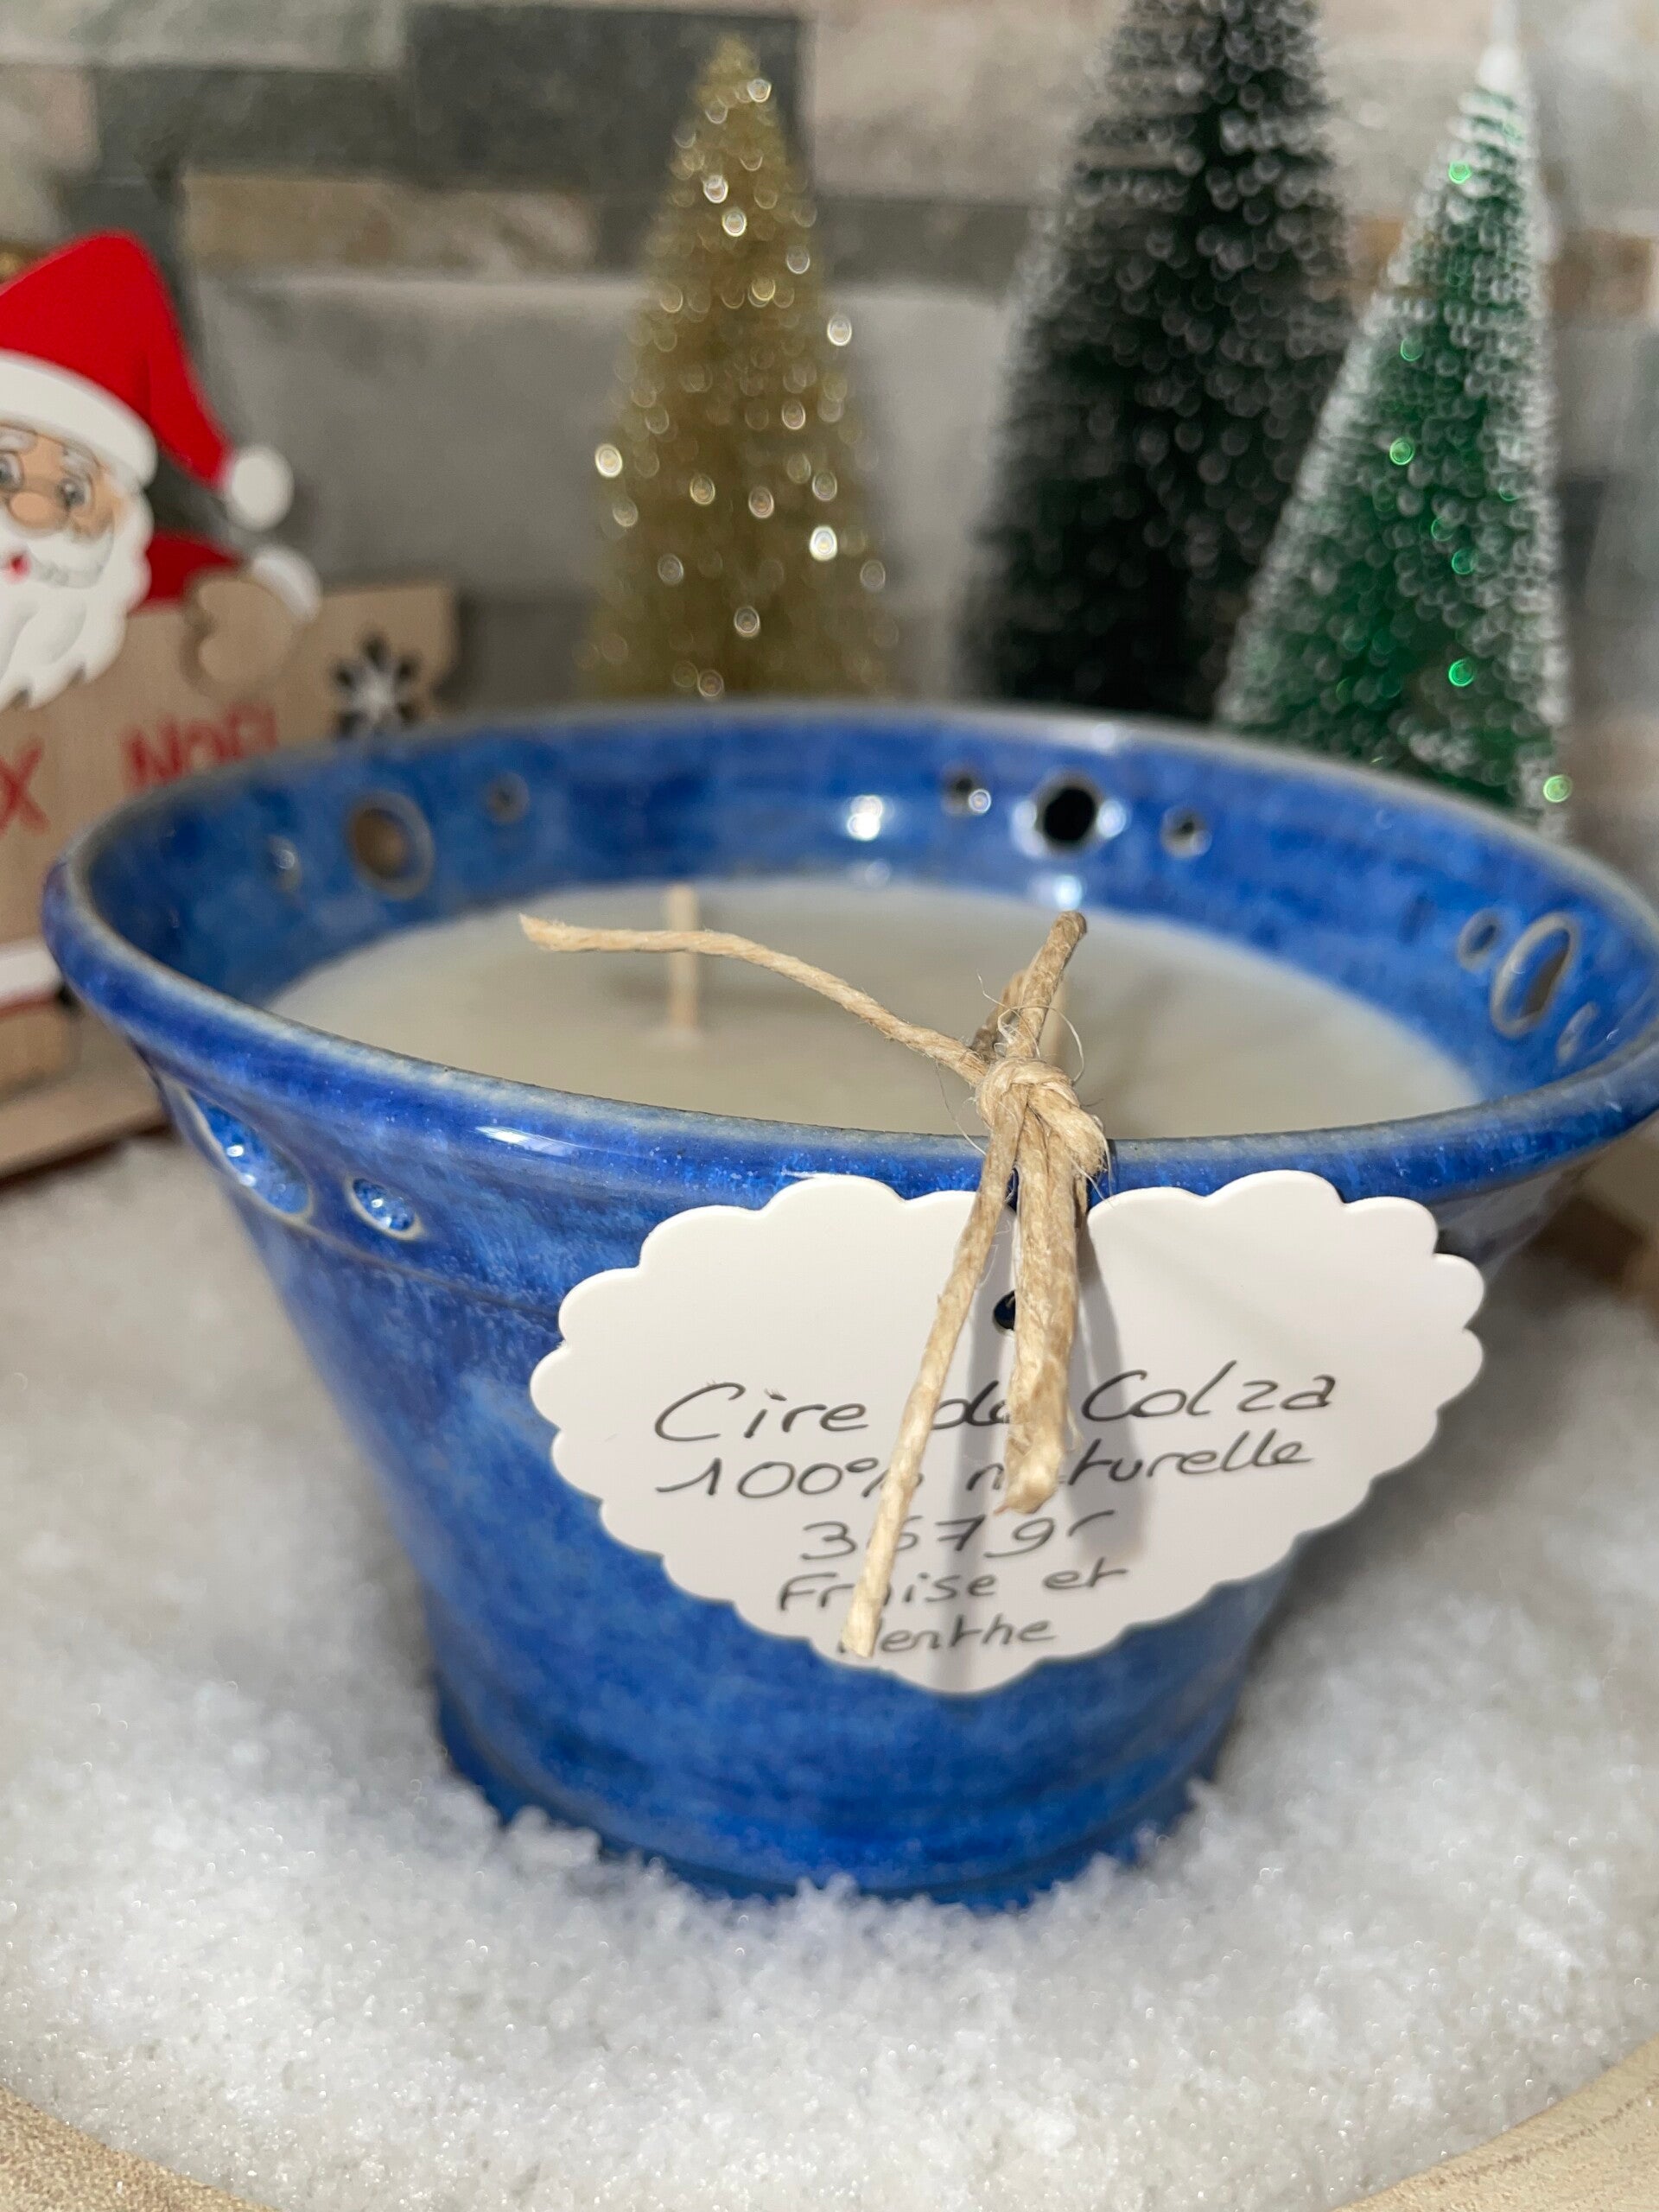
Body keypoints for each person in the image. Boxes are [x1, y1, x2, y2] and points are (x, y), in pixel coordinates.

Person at [0, 231, 317, 712]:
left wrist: (262, 612)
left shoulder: (118, 578)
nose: (33, 511)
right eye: (4, 472)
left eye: (72, 492)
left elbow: (224, 591)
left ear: (113, 502)